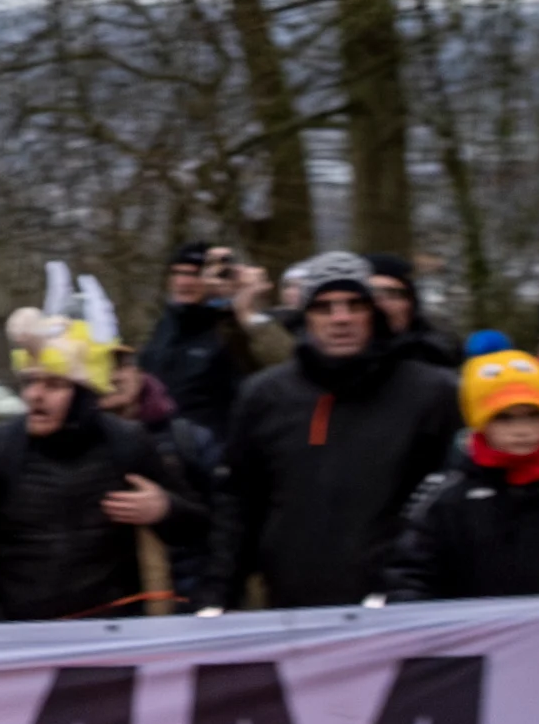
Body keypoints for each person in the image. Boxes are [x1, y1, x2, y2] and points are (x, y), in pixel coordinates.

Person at [211, 255, 464, 607]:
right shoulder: (264, 396)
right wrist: (217, 597)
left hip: (403, 607)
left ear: (374, 313)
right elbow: (237, 502)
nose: (340, 319)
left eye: (354, 305)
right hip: (295, 606)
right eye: (324, 307)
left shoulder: (432, 393)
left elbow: (456, 501)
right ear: (305, 317)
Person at [0, 315, 202, 620]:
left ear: (84, 393)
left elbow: (197, 526)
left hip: (111, 635)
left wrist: (164, 509)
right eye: (29, 381)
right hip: (22, 637)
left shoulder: (128, 441)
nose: (35, 395)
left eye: (54, 384)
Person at [383, 346, 539, 601]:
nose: (522, 430)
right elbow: (408, 575)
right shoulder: (446, 497)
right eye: (504, 418)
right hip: (473, 636)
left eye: (534, 415)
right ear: (480, 422)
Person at [140, 244, 283, 443]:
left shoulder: (230, 328)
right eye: (177, 273)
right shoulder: (163, 326)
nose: (183, 282)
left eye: (194, 274)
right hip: (163, 449)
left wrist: (243, 304)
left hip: (215, 452)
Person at [361, 253, 460, 371]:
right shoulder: (338, 365)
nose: (380, 303)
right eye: (371, 295)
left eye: (391, 294)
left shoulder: (439, 356)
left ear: (410, 303)